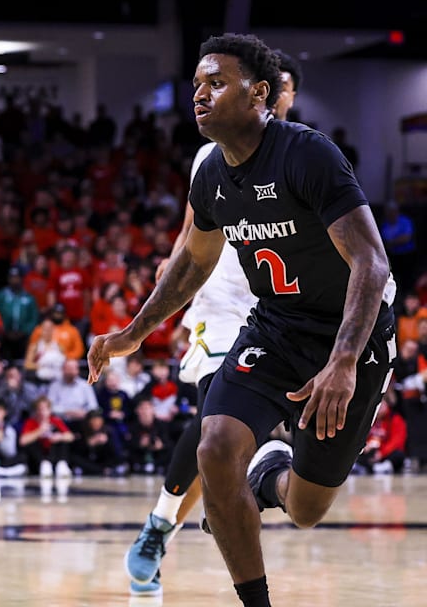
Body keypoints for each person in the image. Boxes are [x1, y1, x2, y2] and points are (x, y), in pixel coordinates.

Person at [91, 34, 395, 607]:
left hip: (350, 335)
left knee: (306, 509)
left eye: (216, 83)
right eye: (197, 85)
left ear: (260, 93)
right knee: (215, 443)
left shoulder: (307, 154)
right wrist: (133, 333)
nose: (200, 95)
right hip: (275, 326)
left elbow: (372, 262)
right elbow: (192, 262)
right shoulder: (210, 173)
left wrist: (343, 362)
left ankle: (269, 475)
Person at [122, 45, 304, 596]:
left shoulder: (305, 155)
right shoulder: (213, 152)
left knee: (234, 432)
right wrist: (172, 268)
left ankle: (183, 516)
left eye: (284, 86)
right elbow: (191, 231)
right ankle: (165, 524)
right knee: (216, 418)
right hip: (221, 297)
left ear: (284, 94)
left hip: (280, 304)